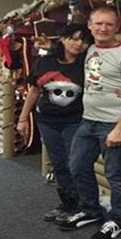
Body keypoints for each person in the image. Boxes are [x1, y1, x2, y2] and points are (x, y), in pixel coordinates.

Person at [59, 6, 121, 239]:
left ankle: (119, 218)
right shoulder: (91, 50)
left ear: (117, 27)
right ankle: (90, 210)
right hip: (88, 121)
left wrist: (120, 128)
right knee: (77, 167)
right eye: (98, 23)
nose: (103, 28)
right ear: (90, 25)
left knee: (115, 174)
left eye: (109, 24)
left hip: (114, 123)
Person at [17, 24, 93, 224]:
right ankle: (68, 203)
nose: (78, 44)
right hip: (47, 121)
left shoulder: (87, 64)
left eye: (83, 40)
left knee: (74, 164)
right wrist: (23, 118)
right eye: (73, 38)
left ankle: (83, 206)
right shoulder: (46, 61)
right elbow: (34, 91)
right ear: (63, 38)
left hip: (75, 122)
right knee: (59, 163)